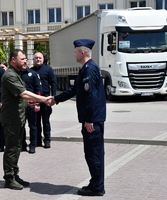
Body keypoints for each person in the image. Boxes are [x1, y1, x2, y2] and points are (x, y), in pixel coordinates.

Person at [50, 39, 106, 196]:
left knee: (93, 153)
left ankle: (97, 187)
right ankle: (96, 182)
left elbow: (92, 97)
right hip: (92, 119)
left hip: (92, 121)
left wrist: (89, 119)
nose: (73, 54)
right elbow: (75, 89)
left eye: (75, 52)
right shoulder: (86, 69)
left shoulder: (89, 69)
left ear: (82, 53)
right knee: (92, 153)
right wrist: (56, 99)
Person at [1, 49, 52, 190]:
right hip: (11, 119)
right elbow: (23, 93)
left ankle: (15, 175)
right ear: (13, 60)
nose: (26, 61)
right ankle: (9, 178)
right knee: (11, 149)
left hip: (18, 117)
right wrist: (43, 99)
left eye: (25, 59)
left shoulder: (17, 74)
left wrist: (31, 102)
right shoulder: (9, 75)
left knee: (17, 148)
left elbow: (19, 97)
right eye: (22, 59)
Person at [31, 52, 57, 148]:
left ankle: (47, 140)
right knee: (35, 121)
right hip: (35, 98)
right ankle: (38, 140)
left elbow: (53, 83)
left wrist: (53, 97)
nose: (38, 59)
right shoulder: (31, 71)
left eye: (40, 58)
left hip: (46, 98)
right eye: (36, 58)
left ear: (43, 59)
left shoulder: (48, 69)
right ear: (33, 59)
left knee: (45, 121)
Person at [21, 58, 42, 154]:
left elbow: (38, 89)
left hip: (32, 104)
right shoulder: (17, 74)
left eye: (26, 61)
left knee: (33, 126)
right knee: (21, 126)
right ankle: (22, 145)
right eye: (23, 61)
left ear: (28, 62)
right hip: (20, 105)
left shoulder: (33, 74)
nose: (25, 63)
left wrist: (37, 103)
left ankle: (33, 145)